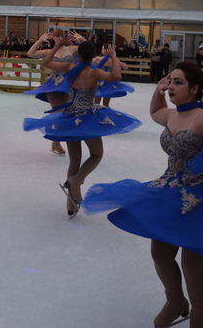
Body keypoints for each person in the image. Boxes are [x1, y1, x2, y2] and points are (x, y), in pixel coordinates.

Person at [82, 62, 203, 328]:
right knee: (161, 253)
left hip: (201, 196)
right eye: (170, 81)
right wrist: (157, 91)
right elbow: (156, 111)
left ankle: (199, 315)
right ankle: (176, 302)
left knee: (192, 263)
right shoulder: (172, 115)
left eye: (177, 82)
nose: (171, 87)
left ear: (193, 88)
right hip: (170, 189)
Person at [23, 38, 141, 217]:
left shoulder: (69, 68)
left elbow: (46, 62)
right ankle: (76, 180)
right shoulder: (94, 73)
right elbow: (116, 76)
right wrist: (114, 57)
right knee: (96, 154)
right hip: (88, 116)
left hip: (70, 117)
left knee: (74, 162)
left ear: (78, 55)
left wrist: (56, 45)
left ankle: (71, 204)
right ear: (93, 55)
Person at [25, 29, 85, 155]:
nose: (60, 39)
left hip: (70, 84)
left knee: (68, 113)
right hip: (54, 85)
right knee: (58, 113)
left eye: (62, 36)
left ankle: (55, 142)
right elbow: (30, 53)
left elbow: (90, 52)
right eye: (58, 37)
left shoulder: (73, 49)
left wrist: (82, 40)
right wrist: (40, 40)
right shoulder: (49, 52)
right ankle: (56, 141)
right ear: (53, 38)